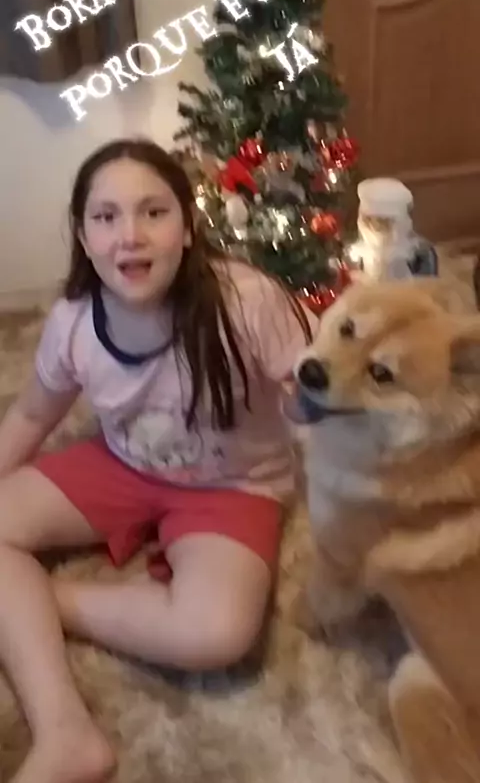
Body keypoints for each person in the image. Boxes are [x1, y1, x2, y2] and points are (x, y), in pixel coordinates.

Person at [0, 138, 314, 783]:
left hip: (234, 485)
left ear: (188, 227)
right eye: (106, 217)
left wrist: (312, 398)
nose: (130, 236)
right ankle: (64, 733)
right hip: (122, 465)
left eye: (153, 212)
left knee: (217, 633)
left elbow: (314, 396)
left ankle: (36, 602)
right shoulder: (73, 321)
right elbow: (32, 414)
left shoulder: (249, 300)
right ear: (83, 237)